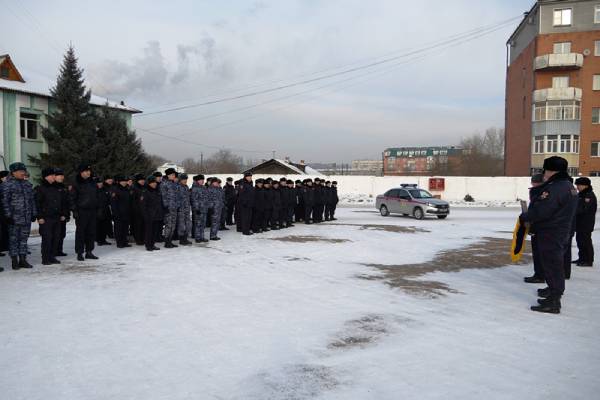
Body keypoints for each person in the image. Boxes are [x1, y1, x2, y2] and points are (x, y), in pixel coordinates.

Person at [520, 156, 577, 314]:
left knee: (553, 265)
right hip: (559, 230)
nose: (544, 173)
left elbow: (543, 211)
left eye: (545, 170)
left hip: (551, 232)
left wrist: (525, 216)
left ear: (550, 171)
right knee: (554, 264)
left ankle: (554, 301)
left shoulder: (555, 188)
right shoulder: (568, 185)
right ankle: (553, 292)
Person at [2, 162, 37, 270]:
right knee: (13, 240)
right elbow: (4, 202)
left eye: (24, 171)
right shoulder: (6, 185)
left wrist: (34, 213)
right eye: (21, 171)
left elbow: (32, 200)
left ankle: (23, 260)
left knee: (24, 240)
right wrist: (8, 216)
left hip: (26, 218)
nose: (23, 173)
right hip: (14, 219)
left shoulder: (27, 184)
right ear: (13, 172)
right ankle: (14, 261)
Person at [35, 168, 67, 265]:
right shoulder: (40, 188)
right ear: (46, 177)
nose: (54, 176)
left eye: (54, 175)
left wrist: (63, 214)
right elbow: (37, 204)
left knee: (56, 238)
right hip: (46, 218)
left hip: (56, 217)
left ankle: (52, 256)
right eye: (52, 175)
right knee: (47, 239)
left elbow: (61, 202)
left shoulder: (56, 188)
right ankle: (45, 258)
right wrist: (39, 217)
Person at [70, 163, 99, 261]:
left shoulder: (93, 182)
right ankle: (79, 253)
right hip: (81, 211)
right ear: (81, 172)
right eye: (86, 171)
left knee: (91, 232)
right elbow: (72, 198)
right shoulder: (76, 183)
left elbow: (97, 196)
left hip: (92, 211)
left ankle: (89, 251)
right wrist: (74, 210)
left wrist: (98, 208)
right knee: (81, 233)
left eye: (89, 171)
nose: (88, 172)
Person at [524, 173, 545, 284]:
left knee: (539, 253)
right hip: (536, 225)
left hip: (540, 226)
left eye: (534, 182)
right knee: (537, 252)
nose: (532, 184)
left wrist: (527, 216)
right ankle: (539, 274)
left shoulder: (542, 192)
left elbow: (538, 210)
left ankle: (540, 275)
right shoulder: (535, 191)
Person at [573, 177, 597, 267]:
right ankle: (582, 258)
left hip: (586, 223)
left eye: (579, 185)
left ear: (585, 185)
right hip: (580, 223)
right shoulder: (581, 194)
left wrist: (572, 210)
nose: (577, 187)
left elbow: (582, 208)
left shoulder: (588, 195)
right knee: (580, 241)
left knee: (585, 241)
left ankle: (588, 260)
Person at [140, 175, 163, 251]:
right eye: (152, 183)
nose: (154, 184)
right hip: (149, 215)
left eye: (155, 182)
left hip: (157, 215)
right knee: (149, 231)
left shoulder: (157, 191)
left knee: (155, 231)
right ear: (149, 183)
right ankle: (148, 245)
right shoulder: (145, 192)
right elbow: (143, 206)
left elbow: (159, 203)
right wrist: (146, 216)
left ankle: (152, 244)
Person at [111, 175, 133, 248]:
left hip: (126, 212)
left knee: (125, 228)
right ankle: (119, 242)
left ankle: (124, 241)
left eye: (125, 181)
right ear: (119, 182)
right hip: (119, 213)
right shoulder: (115, 189)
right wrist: (115, 213)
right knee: (119, 229)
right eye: (122, 181)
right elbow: (113, 203)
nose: (124, 182)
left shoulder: (127, 189)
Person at [160, 168, 180, 248]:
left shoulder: (173, 183)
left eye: (174, 174)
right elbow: (163, 196)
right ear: (168, 175)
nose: (174, 176)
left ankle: (170, 240)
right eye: (172, 174)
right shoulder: (164, 184)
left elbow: (177, 196)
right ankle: (167, 242)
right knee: (168, 225)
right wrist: (166, 206)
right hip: (168, 208)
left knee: (173, 225)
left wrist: (177, 206)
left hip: (174, 208)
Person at [54, 169, 70, 256]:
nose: (61, 177)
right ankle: (53, 251)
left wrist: (66, 215)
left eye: (62, 175)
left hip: (63, 215)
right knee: (55, 234)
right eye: (59, 175)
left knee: (62, 234)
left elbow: (66, 202)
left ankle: (59, 250)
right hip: (56, 215)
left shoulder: (64, 187)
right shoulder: (52, 187)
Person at [191, 174, 210, 243]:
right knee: (198, 224)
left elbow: (207, 198)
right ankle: (197, 237)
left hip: (204, 209)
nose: (202, 181)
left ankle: (202, 237)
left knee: (203, 224)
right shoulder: (195, 188)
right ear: (197, 180)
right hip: (198, 209)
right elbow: (194, 199)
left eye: (203, 180)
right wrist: (197, 208)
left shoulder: (204, 187)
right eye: (201, 180)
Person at [96, 178, 112, 246]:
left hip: (106, 210)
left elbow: (109, 199)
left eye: (101, 183)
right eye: (98, 183)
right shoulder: (94, 190)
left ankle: (103, 239)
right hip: (97, 211)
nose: (100, 184)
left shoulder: (105, 190)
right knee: (98, 226)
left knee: (105, 226)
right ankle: (99, 240)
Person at [177, 173, 192, 245]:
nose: (185, 180)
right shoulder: (177, 187)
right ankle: (182, 239)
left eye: (186, 179)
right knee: (181, 225)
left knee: (188, 224)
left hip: (187, 209)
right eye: (183, 179)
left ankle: (185, 238)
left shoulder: (186, 187)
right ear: (180, 180)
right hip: (181, 209)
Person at [131, 174, 146, 246]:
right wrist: (136, 210)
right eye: (140, 180)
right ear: (137, 181)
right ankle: (138, 239)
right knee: (138, 226)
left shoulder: (144, 187)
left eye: (143, 180)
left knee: (143, 225)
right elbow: (133, 201)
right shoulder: (134, 188)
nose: (142, 181)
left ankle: (143, 238)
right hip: (137, 211)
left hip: (144, 210)